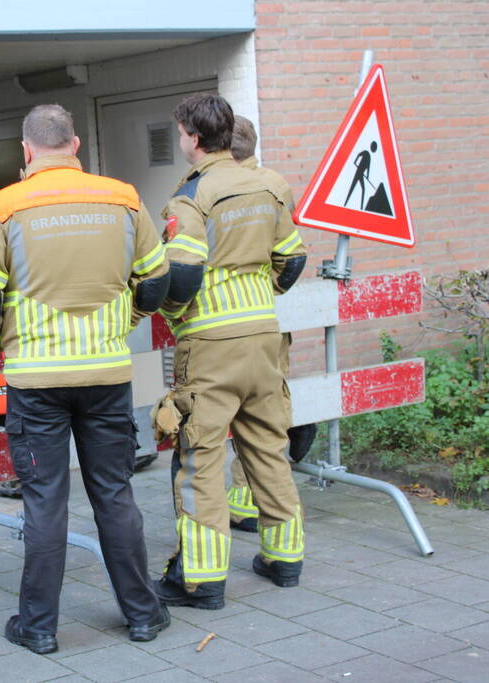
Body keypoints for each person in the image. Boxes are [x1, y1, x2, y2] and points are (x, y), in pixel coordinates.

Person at [0, 104, 172, 654]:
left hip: (35, 382)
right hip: (106, 376)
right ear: (74, 144)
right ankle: (143, 615)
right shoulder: (123, 199)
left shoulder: (3, 209)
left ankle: (39, 628)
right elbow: (156, 279)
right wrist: (123, 325)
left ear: (27, 151)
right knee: (114, 493)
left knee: (46, 502)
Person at [154, 94, 308, 610]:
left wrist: (175, 316)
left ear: (193, 138)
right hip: (266, 338)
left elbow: (184, 273)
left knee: (200, 457)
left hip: (211, 346)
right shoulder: (269, 186)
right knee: (268, 446)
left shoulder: (189, 198)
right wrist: (258, 297)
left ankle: (200, 580)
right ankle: (284, 560)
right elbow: (292, 258)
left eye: (180, 134)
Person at [225, 115, 317, 533]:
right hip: (268, 320)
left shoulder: (206, 189)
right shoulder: (276, 185)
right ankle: (255, 504)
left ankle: (240, 504)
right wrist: (272, 291)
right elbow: (289, 256)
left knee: (228, 416)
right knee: (266, 414)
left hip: (221, 326)